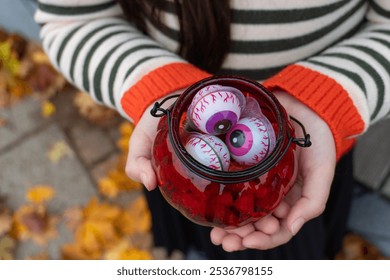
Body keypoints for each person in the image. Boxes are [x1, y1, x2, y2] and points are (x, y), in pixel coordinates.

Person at [34, 0, 390, 259]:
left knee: (302, 240)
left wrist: (326, 100)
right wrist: (157, 86)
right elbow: (74, 20)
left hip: (303, 156)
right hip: (180, 164)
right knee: (201, 233)